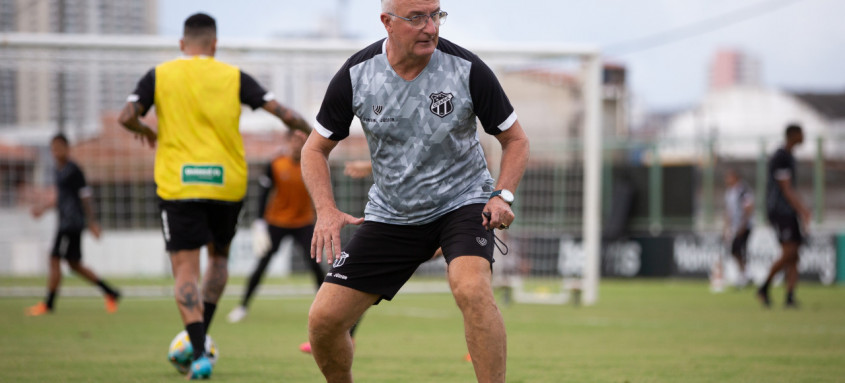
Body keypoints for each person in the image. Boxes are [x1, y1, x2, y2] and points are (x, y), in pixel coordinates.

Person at [301, 1, 530, 381]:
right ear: (387, 22)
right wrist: (326, 210)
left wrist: (501, 195)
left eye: (436, 14)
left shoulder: (467, 69)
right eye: (417, 17)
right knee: (323, 321)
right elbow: (314, 148)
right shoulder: (357, 74)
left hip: (463, 202)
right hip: (393, 215)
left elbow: (516, 140)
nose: (430, 27)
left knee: (472, 289)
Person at [118, 13, 311, 379]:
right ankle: (202, 337)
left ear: (181, 44)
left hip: (180, 184)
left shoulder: (160, 75)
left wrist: (144, 129)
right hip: (227, 184)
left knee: (185, 269)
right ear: (214, 44)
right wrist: (315, 134)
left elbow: (125, 115)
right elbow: (284, 114)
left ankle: (199, 352)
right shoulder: (233, 76)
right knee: (218, 261)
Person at [226, 130, 360, 354]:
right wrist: (259, 222)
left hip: (303, 223)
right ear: (287, 141)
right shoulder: (276, 164)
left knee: (315, 266)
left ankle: (327, 307)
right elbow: (263, 194)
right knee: (262, 264)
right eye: (294, 140)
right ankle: (242, 306)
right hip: (276, 222)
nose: (298, 144)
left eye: (302, 140)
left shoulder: (312, 162)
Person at [26, 133, 121, 316]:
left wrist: (92, 222)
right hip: (65, 222)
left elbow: (85, 196)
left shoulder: (74, 170)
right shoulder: (58, 170)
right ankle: (111, 292)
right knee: (74, 264)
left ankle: (49, 304)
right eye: (53, 149)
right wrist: (43, 208)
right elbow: (61, 199)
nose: (55, 152)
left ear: (67, 149)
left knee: (54, 258)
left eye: (58, 148)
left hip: (72, 223)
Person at [757, 124, 809, 308]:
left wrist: (799, 209)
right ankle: (764, 287)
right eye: (802, 134)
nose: (804, 137)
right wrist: (803, 210)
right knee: (788, 252)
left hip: (789, 211)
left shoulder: (789, 156)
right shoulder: (780, 157)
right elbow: (786, 189)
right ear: (793, 135)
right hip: (780, 211)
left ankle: (789, 296)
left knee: (794, 255)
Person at [721, 168, 754, 288]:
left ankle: (745, 275)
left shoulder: (743, 190)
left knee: (739, 249)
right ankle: (744, 274)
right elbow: (728, 212)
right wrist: (726, 228)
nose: (727, 180)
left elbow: (749, 208)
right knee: (736, 250)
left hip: (744, 226)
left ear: (736, 177)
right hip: (735, 227)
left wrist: (743, 225)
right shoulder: (729, 192)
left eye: (729, 177)